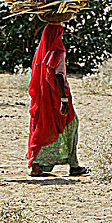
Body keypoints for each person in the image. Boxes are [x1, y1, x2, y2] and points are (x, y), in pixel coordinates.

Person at [26, 22, 89, 176]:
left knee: (43, 127)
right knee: (71, 125)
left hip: (42, 98)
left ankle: (37, 165)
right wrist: (64, 100)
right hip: (56, 97)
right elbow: (58, 74)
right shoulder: (57, 51)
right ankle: (74, 165)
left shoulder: (40, 52)